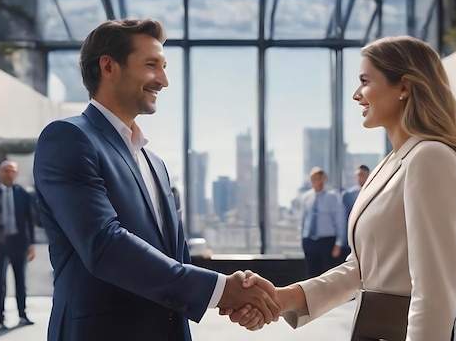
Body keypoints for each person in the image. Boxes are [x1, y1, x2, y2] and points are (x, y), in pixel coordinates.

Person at [223, 36, 456, 339]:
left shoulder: (430, 158)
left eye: (365, 81)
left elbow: (434, 290)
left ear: (404, 87)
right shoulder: (390, 164)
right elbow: (362, 268)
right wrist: (283, 298)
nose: (356, 95)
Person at [33, 18, 279, 341]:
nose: (164, 81)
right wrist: (222, 291)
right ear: (108, 66)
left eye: (164, 67)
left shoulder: (156, 163)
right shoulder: (68, 138)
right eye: (152, 65)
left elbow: (175, 261)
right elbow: (104, 244)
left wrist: (231, 297)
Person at [0, 160, 36, 331]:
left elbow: (29, 221)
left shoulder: (23, 193)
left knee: (21, 280)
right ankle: (0, 317)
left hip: (19, 243)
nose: (9, 174)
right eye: (6, 171)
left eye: (12, 171)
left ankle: (22, 314)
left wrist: (31, 244)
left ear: (16, 173)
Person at [299, 167, 346, 277]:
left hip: (327, 242)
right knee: (311, 275)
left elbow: (339, 221)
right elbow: (303, 219)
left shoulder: (332, 196)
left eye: (318, 178)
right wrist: (302, 238)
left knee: (328, 275)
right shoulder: (306, 197)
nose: (315, 181)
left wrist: (338, 244)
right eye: (313, 179)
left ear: (324, 179)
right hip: (309, 241)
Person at [341, 164, 370, 257]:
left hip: (368, 233)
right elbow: (343, 217)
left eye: (363, 175)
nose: (360, 177)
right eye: (359, 175)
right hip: (352, 234)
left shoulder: (375, 192)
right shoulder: (348, 195)